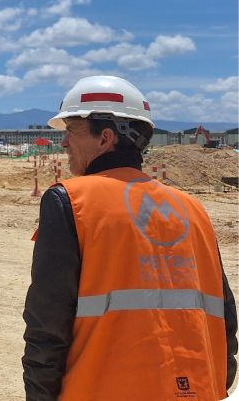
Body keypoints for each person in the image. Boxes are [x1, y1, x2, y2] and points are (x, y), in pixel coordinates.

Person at [23, 75, 238, 401]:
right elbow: (225, 318)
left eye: (71, 130)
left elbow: (47, 326)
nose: (64, 143)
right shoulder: (192, 209)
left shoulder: (70, 200)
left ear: (105, 137)